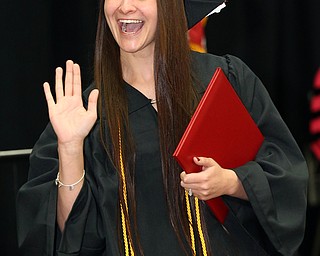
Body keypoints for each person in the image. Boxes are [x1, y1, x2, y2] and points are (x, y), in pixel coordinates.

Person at [16, 0, 308, 255]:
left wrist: (233, 182)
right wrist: (69, 148)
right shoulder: (86, 112)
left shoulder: (225, 80)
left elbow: (285, 175)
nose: (125, 6)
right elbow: (68, 237)